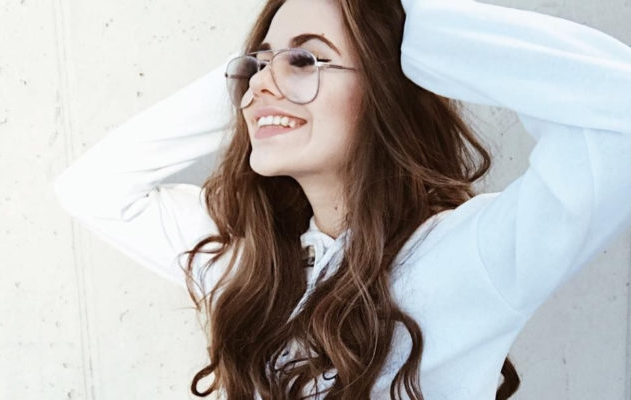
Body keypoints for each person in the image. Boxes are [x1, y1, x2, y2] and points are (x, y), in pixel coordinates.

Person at [51, 0, 631, 398]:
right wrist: (254, 75)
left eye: (306, 59)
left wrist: (415, 29)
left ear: (386, 84)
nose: (260, 84)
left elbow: (618, 116)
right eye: (258, 65)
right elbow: (92, 188)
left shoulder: (468, 256)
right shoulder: (248, 266)